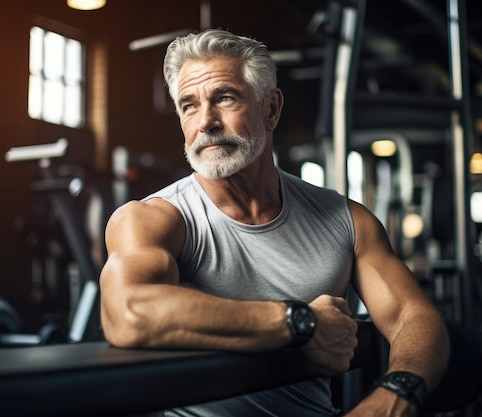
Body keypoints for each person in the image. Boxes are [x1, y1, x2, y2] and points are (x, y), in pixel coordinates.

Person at [99, 28, 450, 417]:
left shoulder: (347, 220)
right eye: (189, 106)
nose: (206, 122)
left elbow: (413, 316)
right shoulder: (154, 219)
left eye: (225, 98)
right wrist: (299, 322)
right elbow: (127, 313)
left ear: (271, 109)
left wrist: (394, 396)